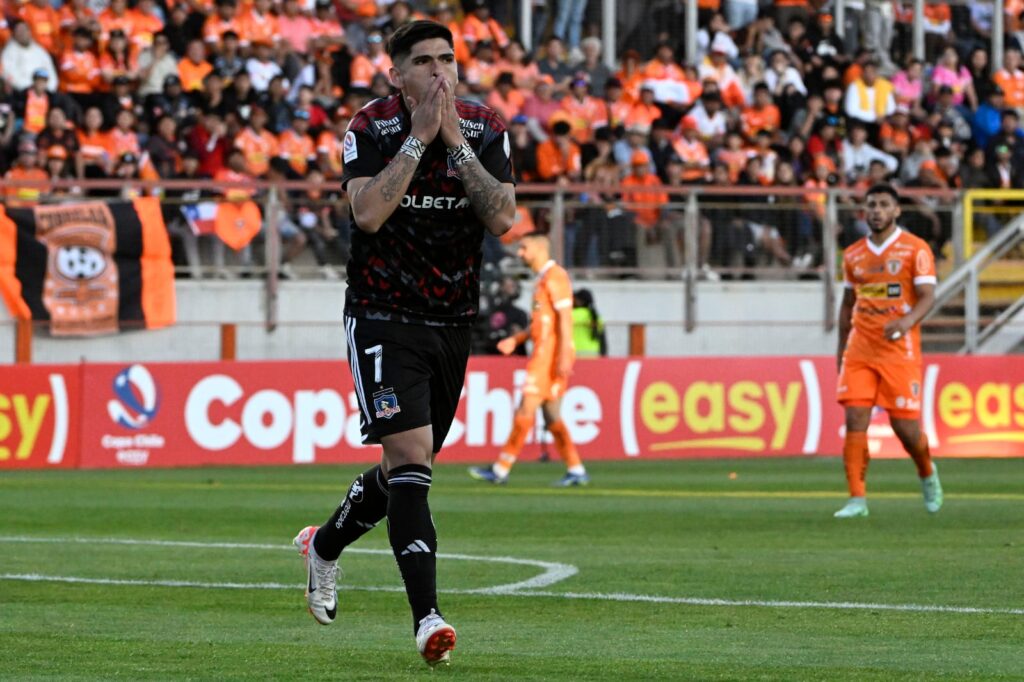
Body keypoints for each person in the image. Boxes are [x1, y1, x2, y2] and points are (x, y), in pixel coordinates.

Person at [290, 20, 515, 667]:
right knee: (412, 459)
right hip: (383, 313)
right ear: (396, 74)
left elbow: (503, 216)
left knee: (404, 471)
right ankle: (428, 620)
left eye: (447, 58)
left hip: (452, 319)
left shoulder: (485, 127)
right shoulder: (371, 127)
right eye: (423, 61)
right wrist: (419, 140)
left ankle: (325, 544)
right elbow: (368, 213)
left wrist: (455, 145)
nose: (439, 72)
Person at [834, 183, 943, 519]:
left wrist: (907, 321)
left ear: (897, 210)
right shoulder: (853, 254)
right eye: (871, 205)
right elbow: (847, 304)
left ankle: (926, 471)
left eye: (883, 204)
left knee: (905, 429)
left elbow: (927, 296)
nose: (877, 210)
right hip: (861, 349)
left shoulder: (915, 249)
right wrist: (840, 350)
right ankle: (857, 499)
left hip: (899, 350)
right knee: (855, 417)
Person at [468, 232, 590, 487]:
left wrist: (566, 353)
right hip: (544, 355)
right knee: (552, 415)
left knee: (526, 409)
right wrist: (517, 339)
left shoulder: (556, 277)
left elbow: (565, 319)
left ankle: (500, 469)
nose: (520, 253)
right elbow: (540, 324)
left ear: (538, 248)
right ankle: (576, 469)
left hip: (549, 359)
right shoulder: (543, 279)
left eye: (524, 248)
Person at [571, 288, 606, 357]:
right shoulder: (596, 316)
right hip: (593, 353)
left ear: (579, 301)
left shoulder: (571, 314)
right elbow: (602, 338)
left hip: (574, 352)